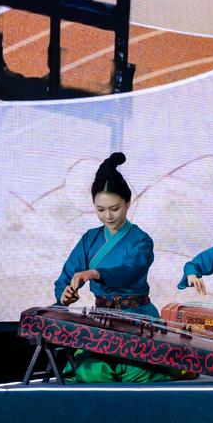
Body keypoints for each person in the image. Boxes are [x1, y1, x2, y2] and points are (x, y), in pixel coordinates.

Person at [54, 152, 171, 382]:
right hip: (102, 319)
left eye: (115, 208)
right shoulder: (89, 239)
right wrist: (65, 294)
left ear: (128, 203)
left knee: (139, 371)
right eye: (100, 209)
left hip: (138, 318)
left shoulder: (141, 240)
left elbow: (130, 270)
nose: (108, 216)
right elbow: (67, 275)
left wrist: (96, 273)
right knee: (92, 373)